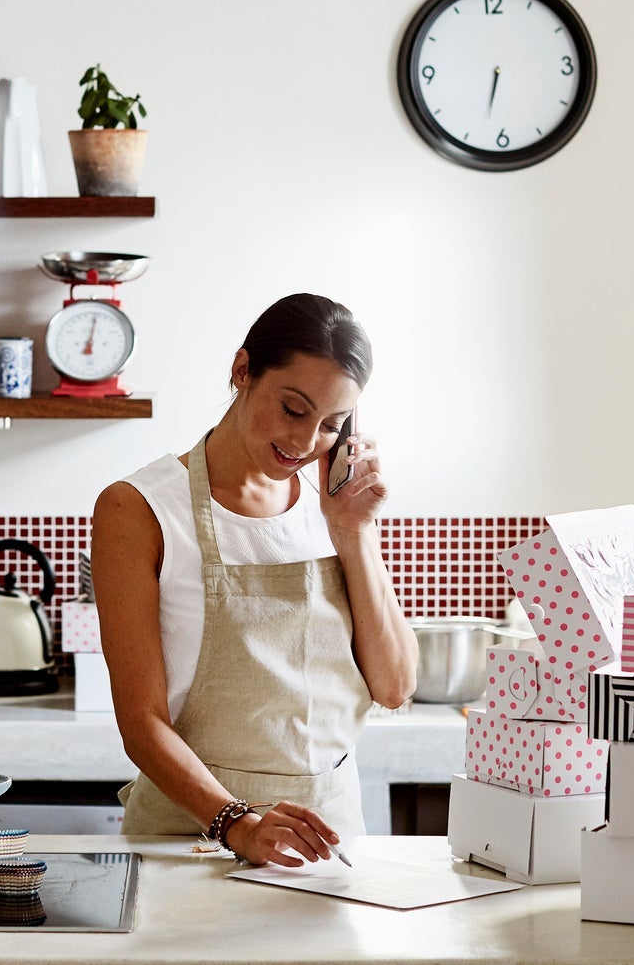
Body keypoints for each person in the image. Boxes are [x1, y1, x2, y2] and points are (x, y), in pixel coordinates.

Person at [92, 293, 418, 867]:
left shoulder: (335, 508)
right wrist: (237, 825)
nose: (304, 443)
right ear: (242, 370)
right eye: (293, 410)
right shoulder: (139, 508)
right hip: (191, 839)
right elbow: (141, 724)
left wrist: (353, 532)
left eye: (331, 425)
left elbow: (394, 686)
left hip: (329, 845)